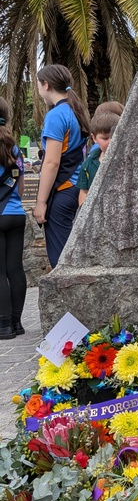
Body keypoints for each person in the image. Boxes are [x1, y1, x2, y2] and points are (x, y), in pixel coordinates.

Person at [33, 65, 90, 268]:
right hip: (75, 188)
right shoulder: (75, 110)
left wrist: (41, 202)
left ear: (46, 85)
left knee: (61, 261)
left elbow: (52, 161)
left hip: (62, 190)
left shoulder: (56, 115)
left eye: (38, 85)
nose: (38, 91)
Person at [0, 97, 27, 339]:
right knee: (15, 269)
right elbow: (19, 184)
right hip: (16, 213)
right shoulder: (14, 146)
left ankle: (4, 325)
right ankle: (18, 322)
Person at [78, 110, 120, 206]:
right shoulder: (88, 164)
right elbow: (84, 191)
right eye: (105, 138)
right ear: (94, 138)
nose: (111, 142)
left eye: (115, 136)